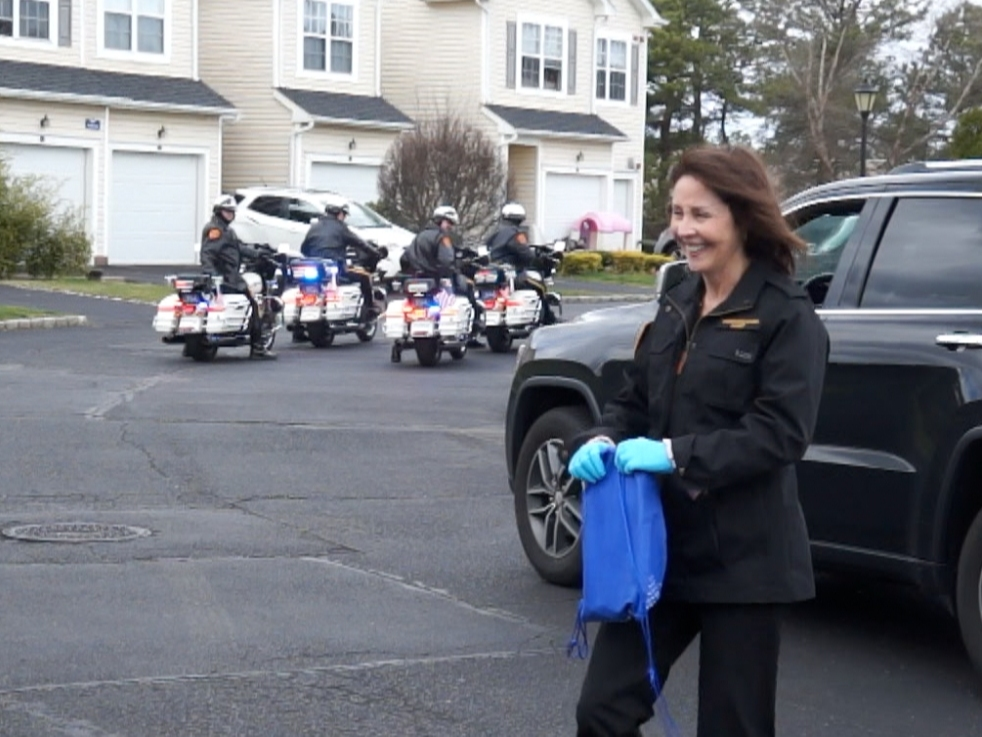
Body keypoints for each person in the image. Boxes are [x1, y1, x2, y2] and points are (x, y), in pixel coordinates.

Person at [567, 144, 830, 737]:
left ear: (742, 216)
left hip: (746, 561)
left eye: (701, 215)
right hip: (661, 552)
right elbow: (635, 399)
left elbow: (781, 433)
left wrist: (671, 455)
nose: (683, 229)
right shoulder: (678, 300)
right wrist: (601, 437)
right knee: (602, 710)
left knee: (732, 727)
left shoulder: (786, 315)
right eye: (677, 212)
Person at [199, 194, 276, 359]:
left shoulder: (225, 230)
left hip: (226, 275)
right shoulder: (216, 230)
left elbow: (237, 247)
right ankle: (258, 348)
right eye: (227, 211)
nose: (230, 214)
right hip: (227, 277)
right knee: (253, 304)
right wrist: (213, 276)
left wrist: (258, 253)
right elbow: (207, 255)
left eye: (232, 211)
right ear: (218, 211)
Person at [401, 205, 484, 346]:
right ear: (440, 221)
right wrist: (455, 268)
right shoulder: (442, 237)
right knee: (467, 287)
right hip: (437, 280)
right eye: (449, 222)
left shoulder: (419, 236)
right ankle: (472, 329)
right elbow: (447, 261)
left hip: (417, 280)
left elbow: (404, 259)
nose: (450, 226)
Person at [300, 193, 383, 323]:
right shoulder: (341, 228)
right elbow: (359, 242)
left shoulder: (314, 227)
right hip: (336, 268)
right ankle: (370, 308)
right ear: (339, 214)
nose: (344, 217)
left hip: (316, 270)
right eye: (344, 214)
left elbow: (303, 249)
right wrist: (375, 253)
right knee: (365, 276)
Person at [485, 201, 558, 325]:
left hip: (494, 269)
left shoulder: (494, 232)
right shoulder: (516, 235)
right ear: (519, 219)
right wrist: (538, 260)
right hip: (512, 271)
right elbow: (526, 254)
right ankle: (547, 317)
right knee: (538, 284)